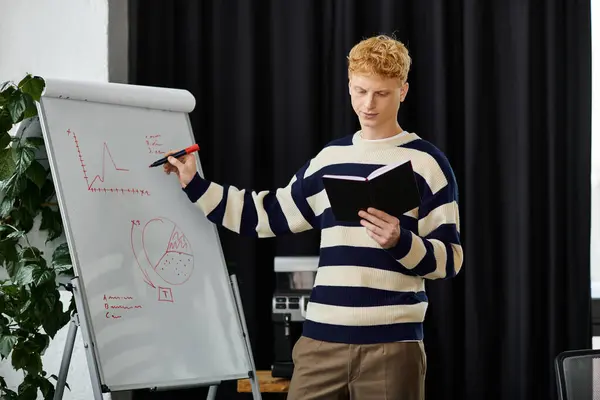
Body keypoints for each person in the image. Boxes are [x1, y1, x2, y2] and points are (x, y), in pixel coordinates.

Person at [164, 34, 463, 400]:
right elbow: (266, 215)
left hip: (392, 346)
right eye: (359, 90)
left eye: (381, 94)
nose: (368, 104)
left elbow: (450, 260)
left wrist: (401, 242)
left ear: (402, 91)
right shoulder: (328, 160)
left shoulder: (428, 163)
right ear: (349, 86)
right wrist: (195, 183)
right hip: (321, 342)